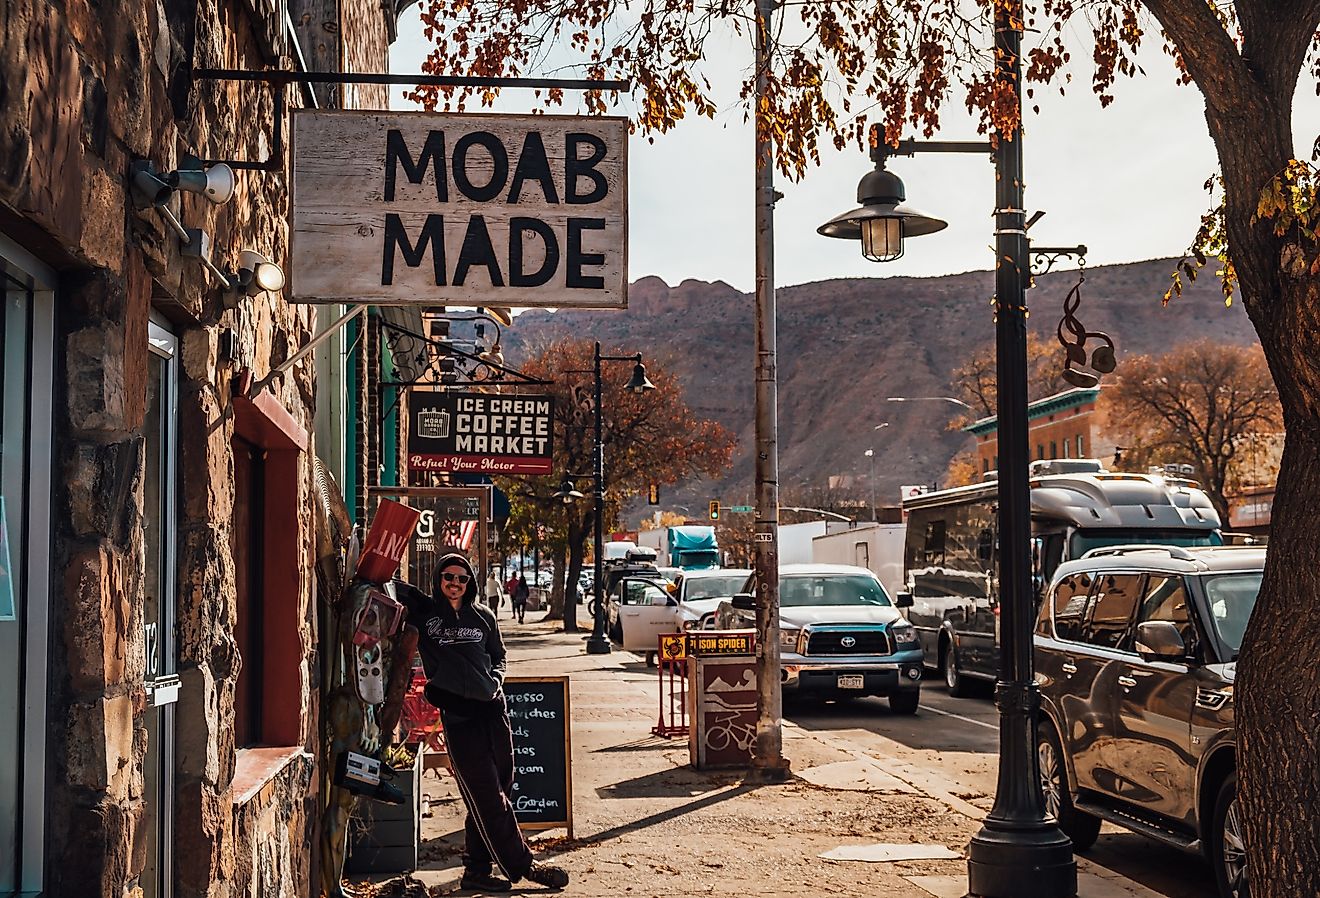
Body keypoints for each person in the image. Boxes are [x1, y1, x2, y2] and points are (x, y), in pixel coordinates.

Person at [396, 552, 569, 892]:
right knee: (488, 795)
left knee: (499, 788)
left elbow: (499, 655)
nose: (455, 584)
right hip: (460, 718)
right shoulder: (428, 616)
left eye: (462, 578)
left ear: (471, 582)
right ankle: (525, 865)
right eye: (448, 577)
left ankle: (476, 871)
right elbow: (395, 590)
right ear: (438, 580)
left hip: (493, 710)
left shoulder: (484, 617)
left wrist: (496, 679)